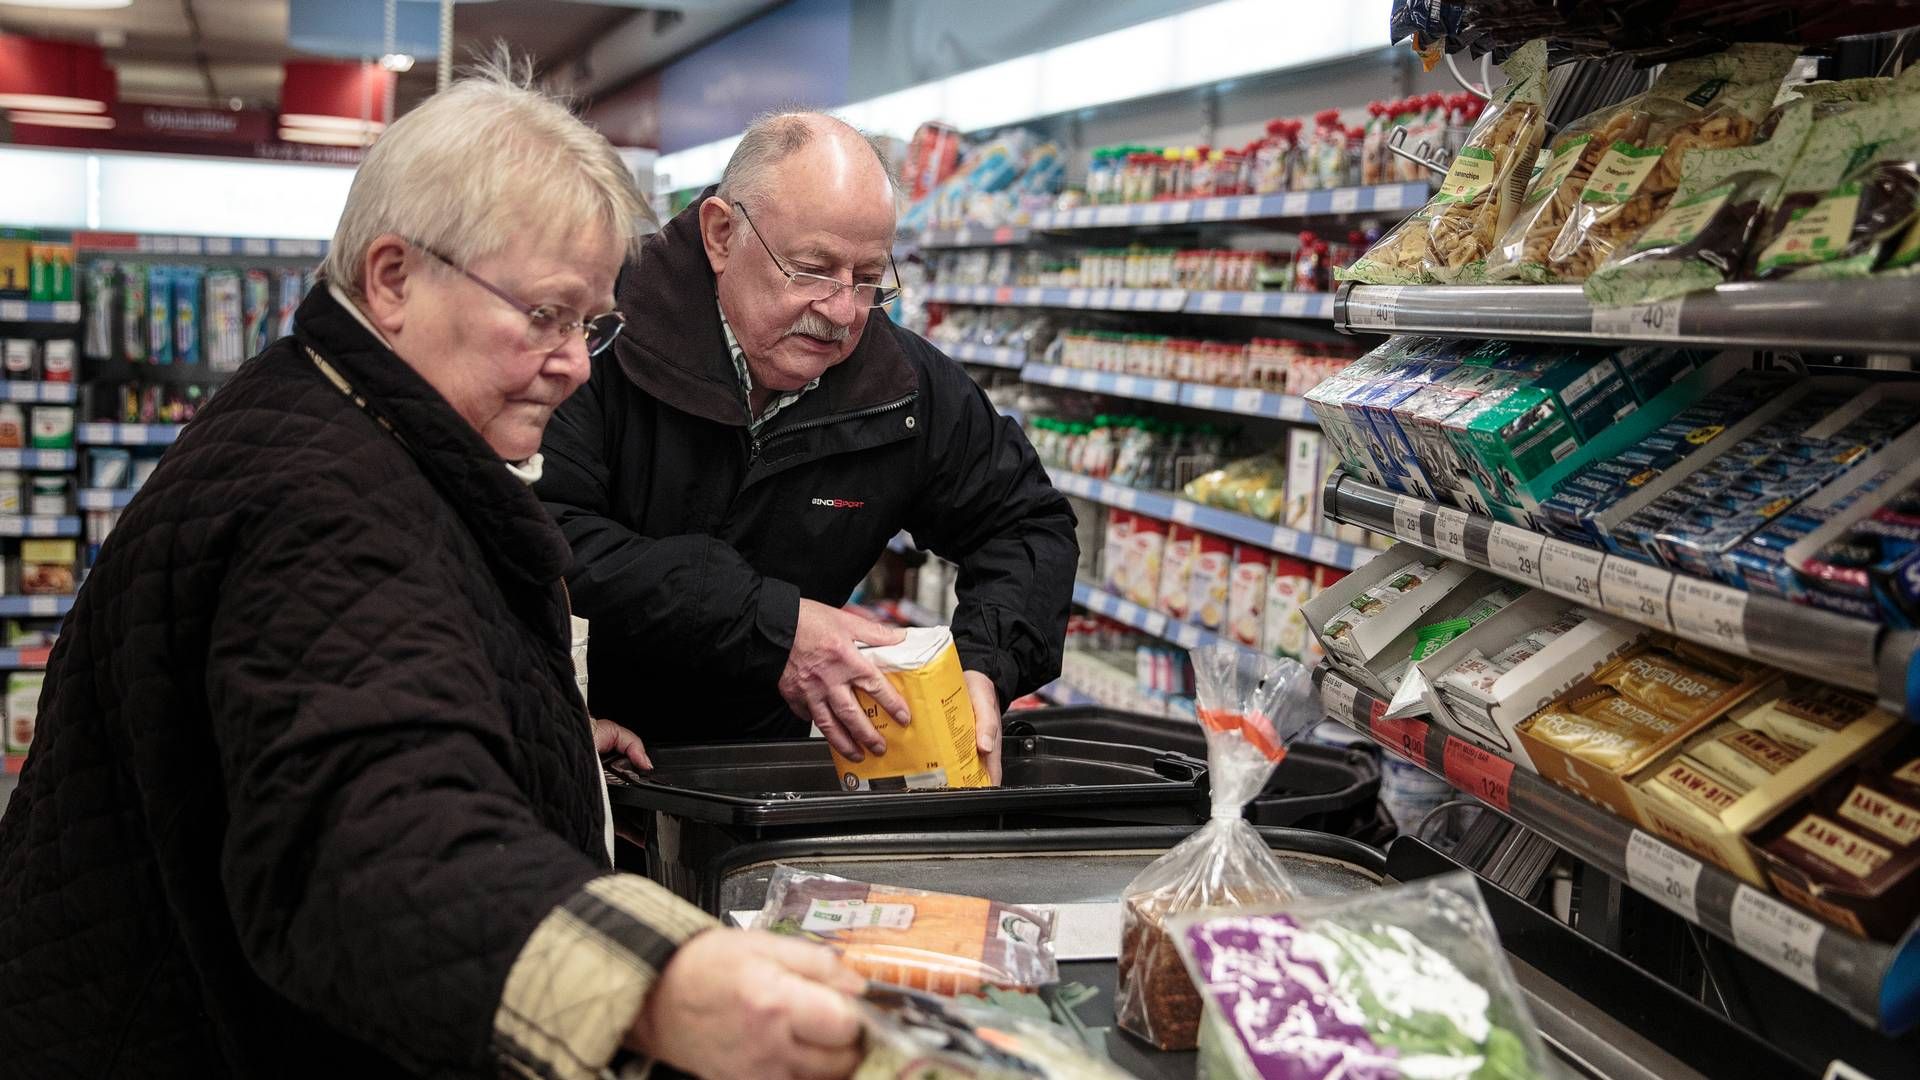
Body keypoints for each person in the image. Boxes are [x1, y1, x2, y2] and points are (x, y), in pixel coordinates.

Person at [0, 64, 866, 1080]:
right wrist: (656, 986)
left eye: (590, 322)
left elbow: (319, 698)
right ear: (395, 278)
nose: (578, 364)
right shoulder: (319, 500)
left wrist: (512, 716)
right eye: (543, 315)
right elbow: (374, 843)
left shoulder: (338, 421)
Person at [537, 112, 1078, 778]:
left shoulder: (903, 386)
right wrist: (770, 623)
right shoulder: (595, 338)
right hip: (576, 745)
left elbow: (1026, 524)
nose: (844, 310)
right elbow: (545, 533)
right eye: (813, 269)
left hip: (765, 769)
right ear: (721, 234)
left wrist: (985, 665)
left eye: (868, 276)